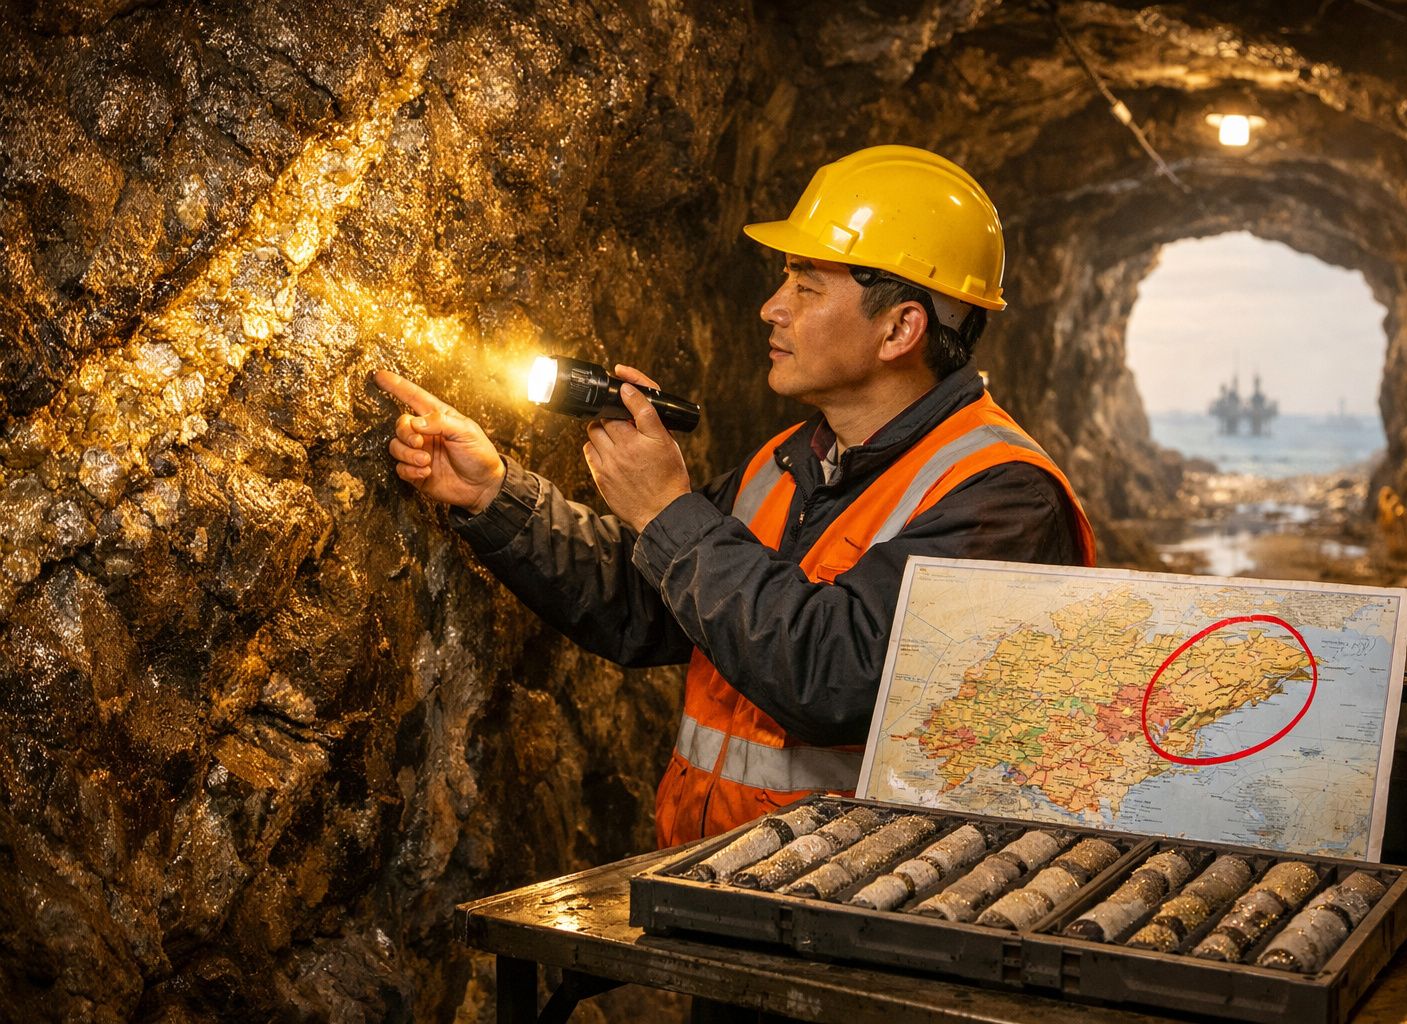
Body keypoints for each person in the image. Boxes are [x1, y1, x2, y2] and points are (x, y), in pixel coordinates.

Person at [376, 144, 1096, 851]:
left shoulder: (1002, 500)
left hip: (884, 918)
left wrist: (668, 511)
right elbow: (646, 604)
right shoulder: (788, 464)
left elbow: (839, 678)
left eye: (807, 287)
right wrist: (496, 494)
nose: (770, 309)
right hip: (730, 887)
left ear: (901, 327)